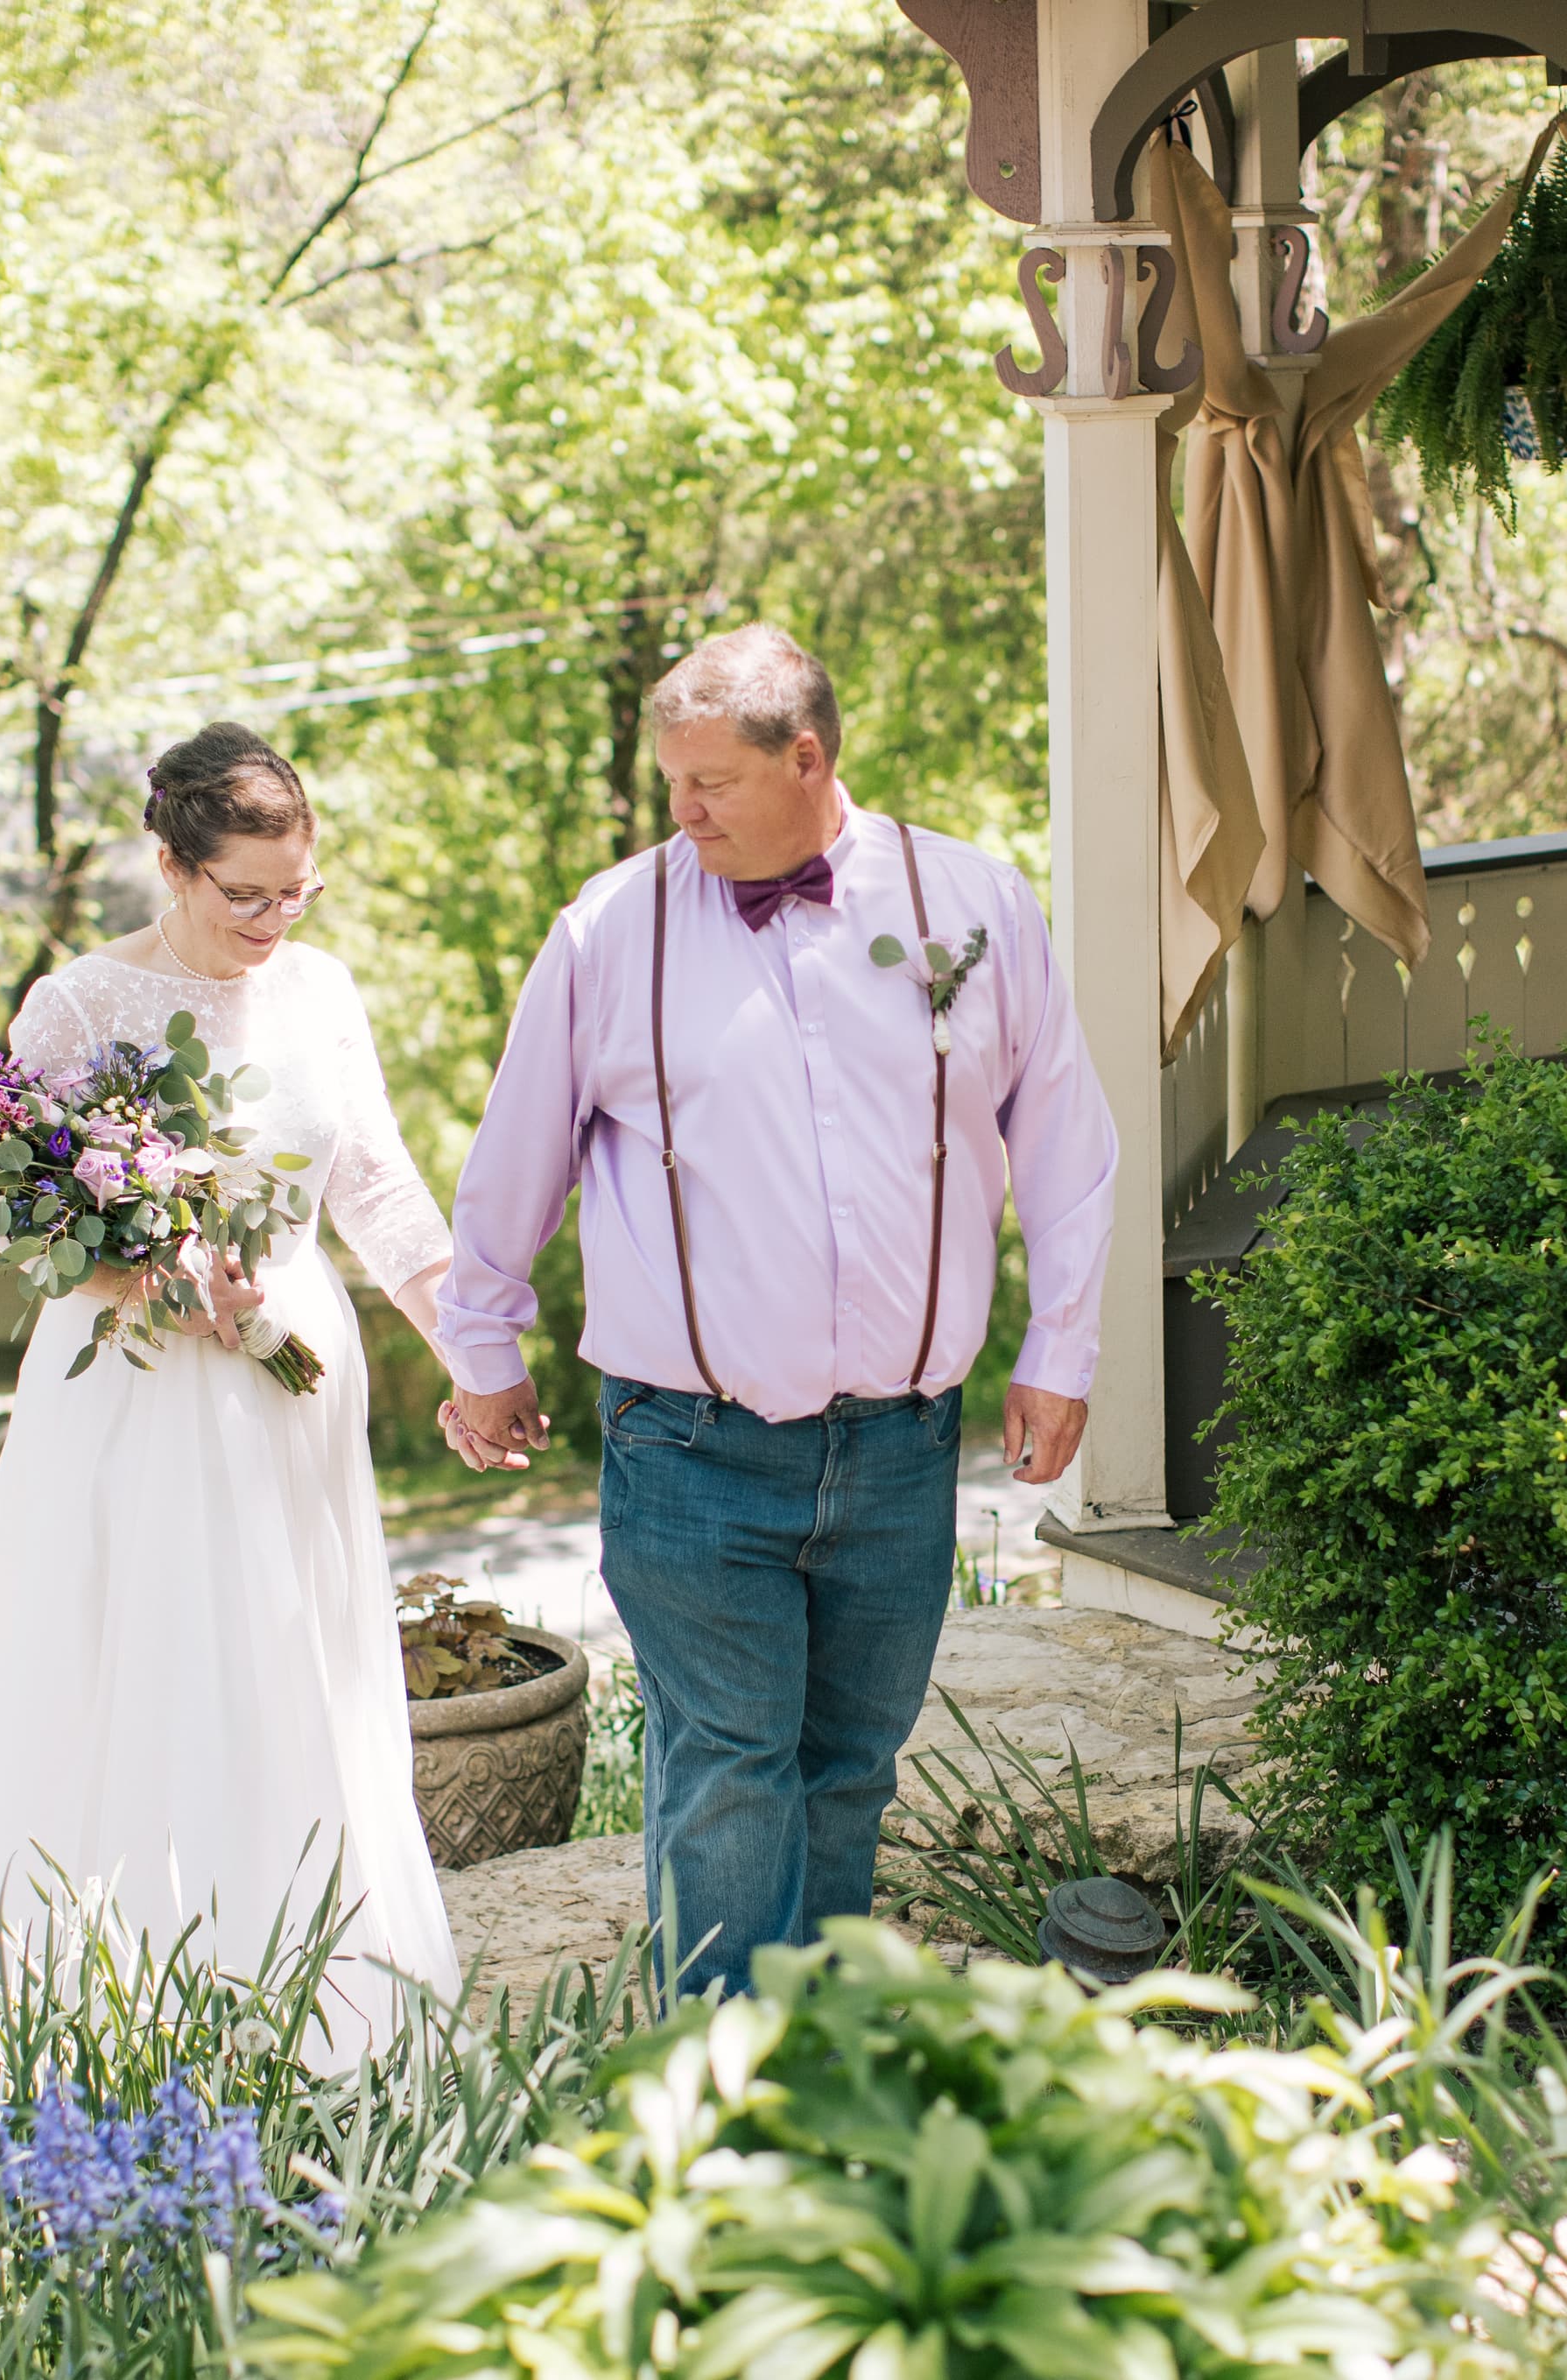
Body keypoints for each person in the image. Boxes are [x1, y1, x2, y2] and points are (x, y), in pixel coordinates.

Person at [436, 624, 1118, 1998]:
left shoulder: (969, 903)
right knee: (732, 1761)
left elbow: (1061, 1135)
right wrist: (482, 1342)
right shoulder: (610, 929)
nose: (680, 816)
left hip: (904, 1443)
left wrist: (1062, 1345)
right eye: (670, 785)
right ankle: (724, 2073)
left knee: (851, 1761)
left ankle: (821, 2046)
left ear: (807, 758)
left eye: (709, 785)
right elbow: (520, 1146)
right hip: (690, 1450)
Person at [0, 723, 459, 2067]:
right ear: (173, 865)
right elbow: (26, 1221)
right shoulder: (75, 1006)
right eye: (243, 892)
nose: (272, 918)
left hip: (290, 1376)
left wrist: (471, 1331)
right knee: (136, 1662)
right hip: (131, 1384)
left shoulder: (321, 992)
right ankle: (113, 2013)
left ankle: (308, 1986)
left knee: (294, 1666)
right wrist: (167, 1279)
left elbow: (372, 1181)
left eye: (293, 890)